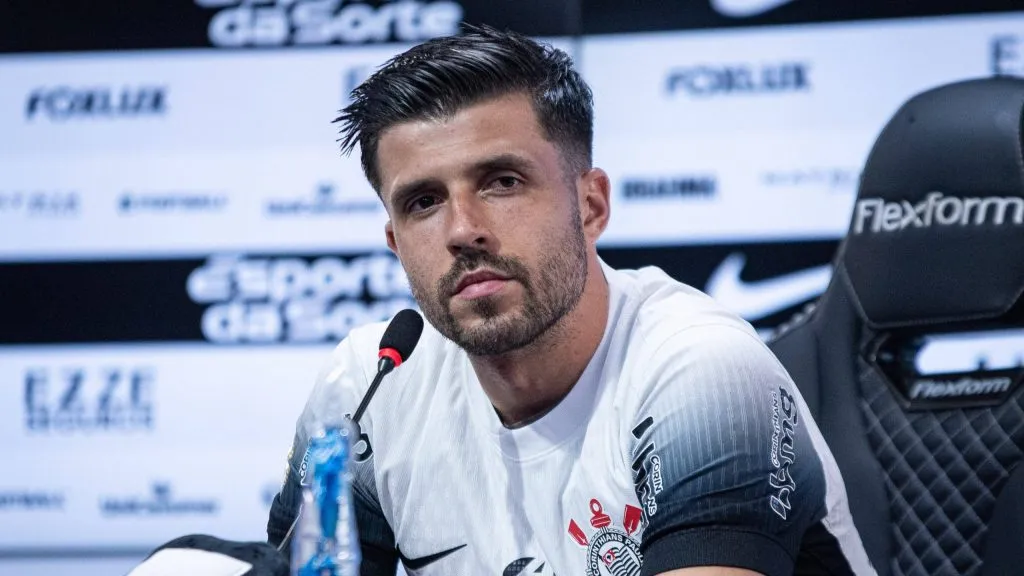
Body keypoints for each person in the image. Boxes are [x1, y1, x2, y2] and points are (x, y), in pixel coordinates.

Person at [267, 26, 876, 576]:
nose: (462, 229)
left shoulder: (701, 370)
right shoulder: (367, 390)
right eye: (423, 201)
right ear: (396, 243)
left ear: (591, 207)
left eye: (503, 182)